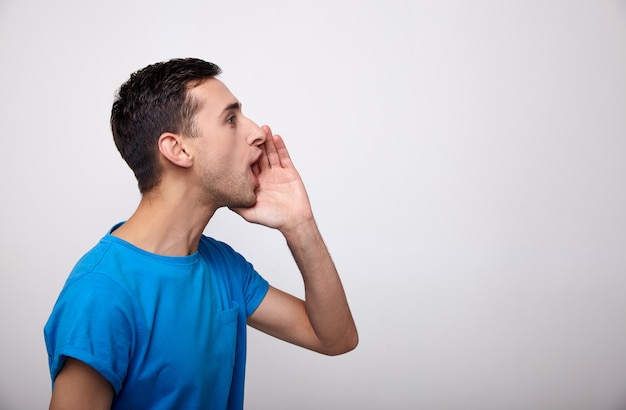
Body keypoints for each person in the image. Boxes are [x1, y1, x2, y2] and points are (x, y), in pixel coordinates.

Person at [44, 57, 358, 409]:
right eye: (230, 119)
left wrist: (299, 225)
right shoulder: (101, 293)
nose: (257, 132)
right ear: (177, 149)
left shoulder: (222, 266)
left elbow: (335, 338)